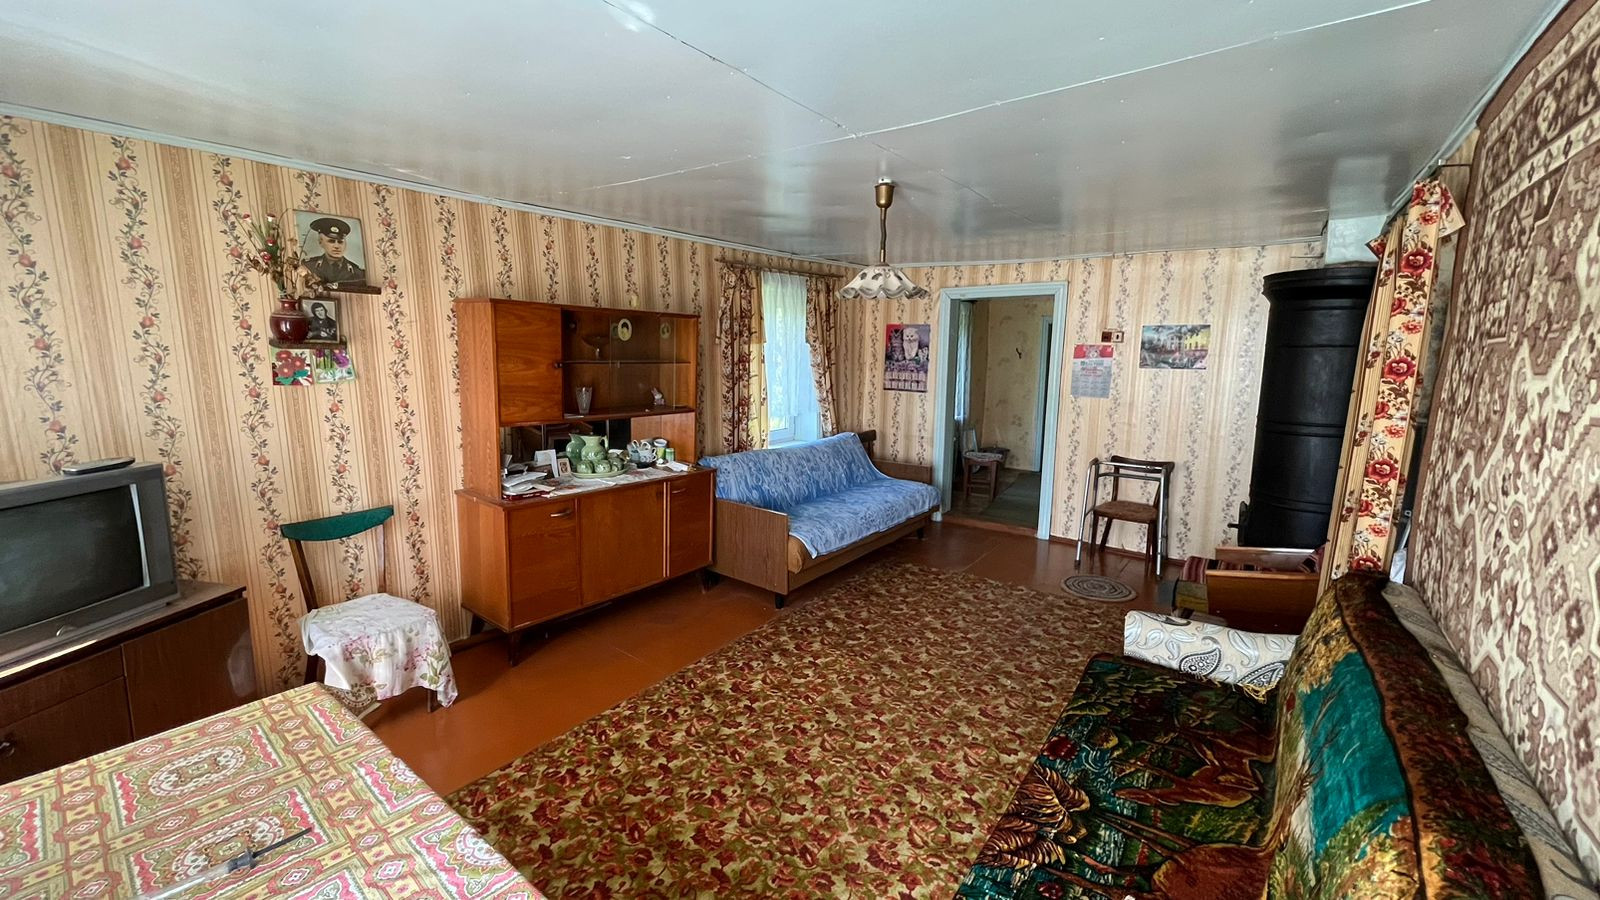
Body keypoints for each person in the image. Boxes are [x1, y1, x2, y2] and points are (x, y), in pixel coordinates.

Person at [303, 217, 366, 285]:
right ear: (321, 242)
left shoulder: (357, 272)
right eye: (331, 241)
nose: (337, 246)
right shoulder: (309, 266)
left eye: (340, 242)